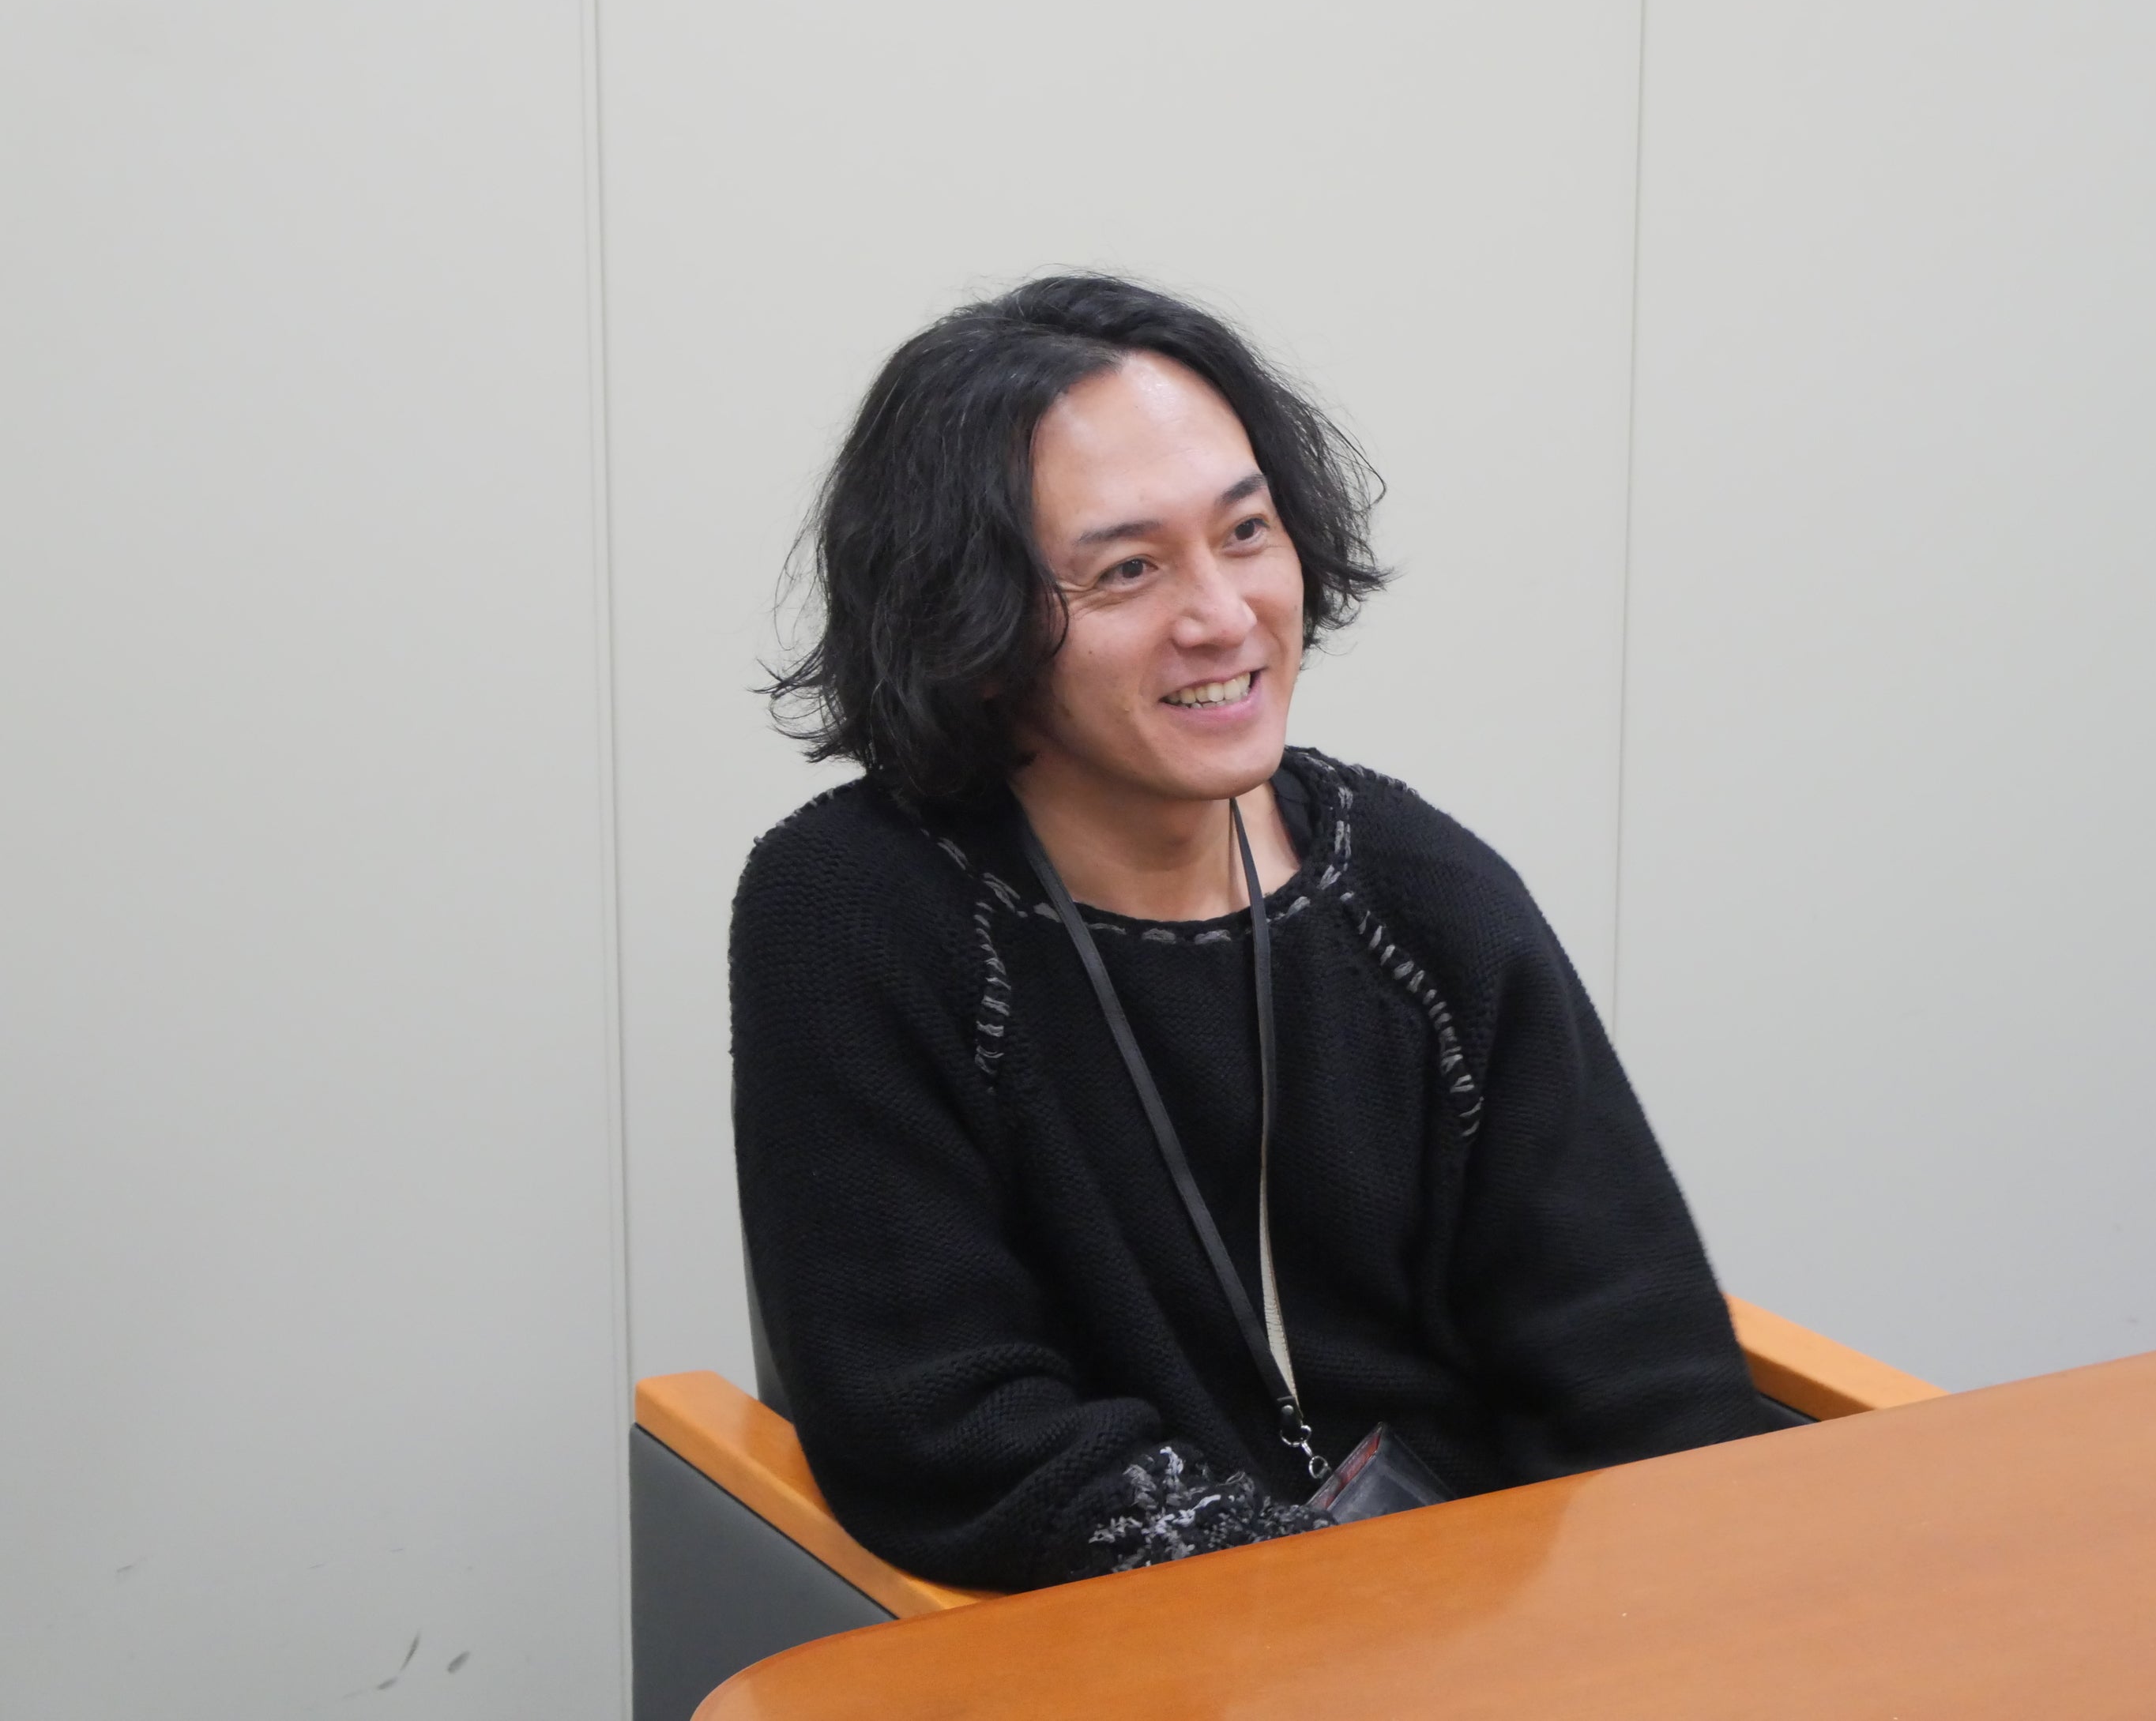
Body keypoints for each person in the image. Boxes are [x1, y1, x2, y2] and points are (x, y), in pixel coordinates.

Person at [733, 273, 1777, 1594]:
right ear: (972, 624)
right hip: (1117, 1643)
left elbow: (1640, 1365)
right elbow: (943, 1425)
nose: (1224, 616)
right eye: (1128, 569)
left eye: (1246, 533)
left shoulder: (1420, 896)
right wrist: (1317, 1605)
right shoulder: (854, 910)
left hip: (1501, 1622)